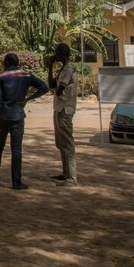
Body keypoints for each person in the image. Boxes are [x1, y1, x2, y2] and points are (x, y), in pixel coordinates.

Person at [0, 53, 49, 189]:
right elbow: (44, 88)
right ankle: (16, 182)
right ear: (17, 63)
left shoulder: (0, 77)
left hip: (3, 116)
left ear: (7, 63)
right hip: (18, 115)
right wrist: (28, 99)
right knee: (16, 150)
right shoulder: (26, 76)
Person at [47, 42, 78, 186]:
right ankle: (66, 173)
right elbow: (52, 85)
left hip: (65, 109)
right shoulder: (63, 68)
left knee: (68, 143)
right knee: (61, 143)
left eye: (57, 53)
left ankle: (72, 178)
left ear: (63, 54)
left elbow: (59, 90)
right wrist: (50, 67)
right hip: (59, 109)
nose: (55, 55)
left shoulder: (69, 69)